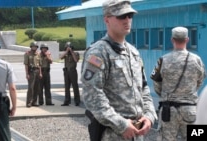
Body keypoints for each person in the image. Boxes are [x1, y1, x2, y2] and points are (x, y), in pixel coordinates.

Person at [81, 0, 157, 140]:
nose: (127, 20)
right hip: (113, 134)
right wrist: (121, 124)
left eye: (130, 15)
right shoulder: (98, 52)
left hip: (136, 133)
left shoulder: (133, 52)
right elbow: (92, 95)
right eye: (121, 16)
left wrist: (149, 115)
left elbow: (144, 88)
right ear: (107, 20)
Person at [150, 26, 206, 141]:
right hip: (190, 110)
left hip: (168, 111)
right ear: (187, 40)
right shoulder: (197, 60)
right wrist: (189, 92)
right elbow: (200, 80)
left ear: (172, 40)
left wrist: (164, 95)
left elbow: (156, 83)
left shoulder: (163, 60)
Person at [60, 42, 81, 106]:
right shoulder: (65, 54)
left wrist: (71, 52)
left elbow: (76, 60)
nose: (68, 49)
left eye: (69, 47)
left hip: (73, 71)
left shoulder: (76, 53)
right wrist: (66, 51)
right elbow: (61, 57)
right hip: (66, 71)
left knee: (75, 86)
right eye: (67, 47)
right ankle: (67, 101)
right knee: (67, 87)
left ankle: (77, 101)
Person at [24, 42, 42, 107]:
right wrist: (27, 74)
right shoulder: (27, 54)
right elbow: (26, 65)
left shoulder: (38, 54)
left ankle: (34, 102)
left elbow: (39, 65)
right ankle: (29, 102)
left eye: (36, 47)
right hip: (31, 72)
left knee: (36, 88)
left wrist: (40, 73)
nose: (34, 48)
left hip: (37, 71)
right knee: (30, 87)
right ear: (31, 47)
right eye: (33, 46)